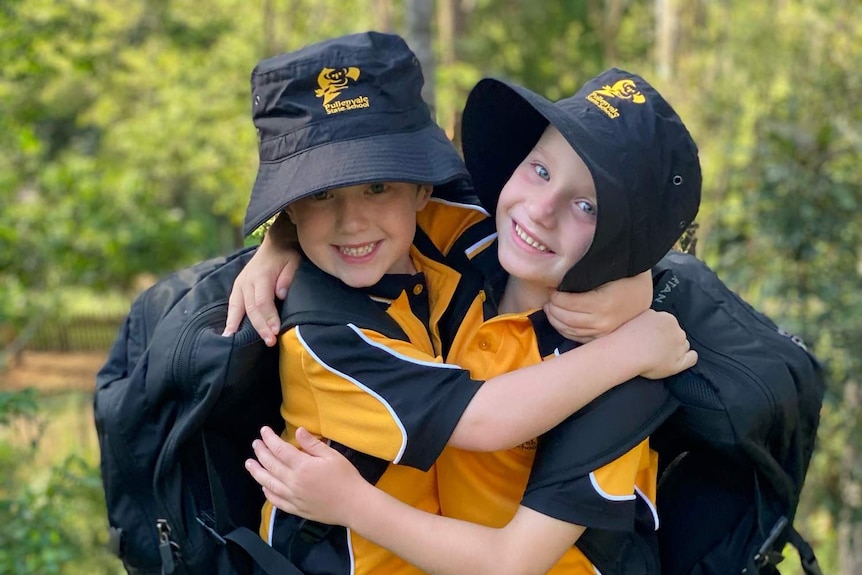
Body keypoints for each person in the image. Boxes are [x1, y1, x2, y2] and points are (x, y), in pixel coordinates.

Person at [237, 32, 695, 575]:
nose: (540, 211)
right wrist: (280, 238)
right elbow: (483, 419)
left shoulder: (617, 378)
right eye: (540, 171)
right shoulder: (349, 318)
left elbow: (510, 562)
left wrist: (636, 300)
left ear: (420, 191)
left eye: (587, 206)